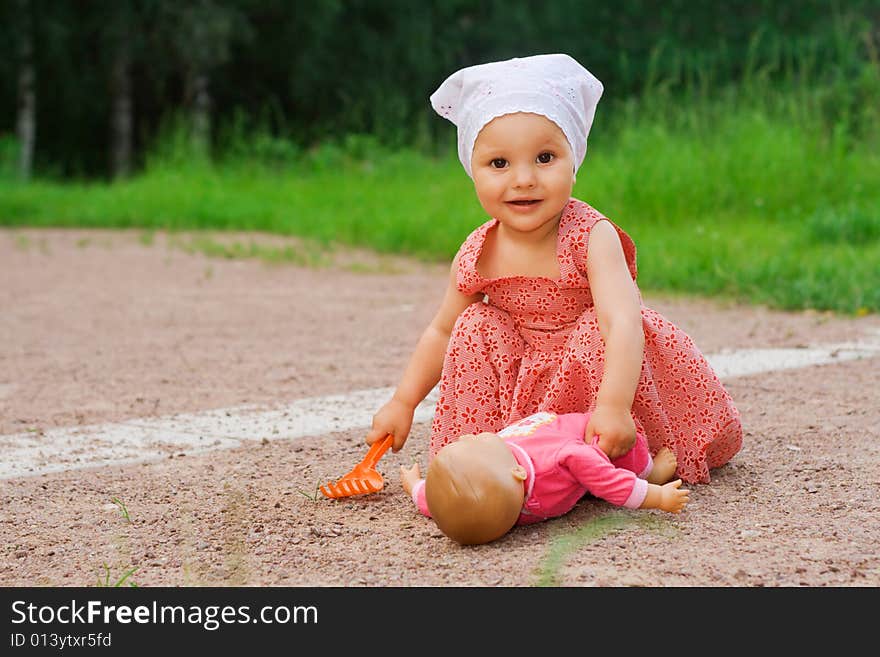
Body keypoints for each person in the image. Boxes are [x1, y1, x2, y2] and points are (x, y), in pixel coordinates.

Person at [366, 53, 742, 484]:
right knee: (474, 322)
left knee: (594, 327)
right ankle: (487, 461)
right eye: (499, 164)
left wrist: (614, 407)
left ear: (574, 161)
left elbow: (622, 322)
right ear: (473, 171)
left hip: (601, 378)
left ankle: (625, 458)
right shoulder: (478, 251)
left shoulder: (589, 236)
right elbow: (442, 332)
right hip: (529, 389)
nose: (524, 179)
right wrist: (403, 402)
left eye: (545, 158)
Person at [400, 411, 689, 545]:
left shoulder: (493, 487)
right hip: (588, 435)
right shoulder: (564, 457)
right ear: (518, 473)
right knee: (621, 443)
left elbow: (433, 500)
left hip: (555, 426)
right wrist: (656, 496)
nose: (466, 435)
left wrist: (414, 485)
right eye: (473, 442)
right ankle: (648, 471)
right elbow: (608, 481)